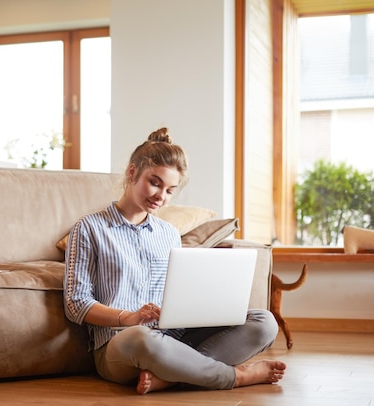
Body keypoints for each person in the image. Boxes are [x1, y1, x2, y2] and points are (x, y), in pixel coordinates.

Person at [63, 127, 286, 395]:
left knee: (264, 322)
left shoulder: (168, 233)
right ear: (132, 172)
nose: (161, 196)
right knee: (143, 337)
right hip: (121, 343)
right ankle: (234, 376)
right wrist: (128, 318)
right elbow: (76, 304)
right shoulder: (89, 227)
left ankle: (171, 378)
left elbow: (179, 293)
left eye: (170, 190)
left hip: (176, 337)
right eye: (155, 183)